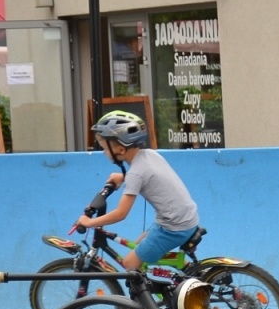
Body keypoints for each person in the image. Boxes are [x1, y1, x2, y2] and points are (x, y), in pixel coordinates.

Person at [76, 109, 200, 273]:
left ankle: (155, 297)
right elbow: (150, 176)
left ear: (120, 150)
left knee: (130, 263)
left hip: (173, 228)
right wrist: (123, 176)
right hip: (183, 218)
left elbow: (121, 213)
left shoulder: (136, 173)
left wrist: (89, 222)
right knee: (138, 246)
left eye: (105, 148)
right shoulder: (149, 155)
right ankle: (187, 271)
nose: (104, 152)